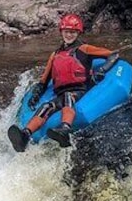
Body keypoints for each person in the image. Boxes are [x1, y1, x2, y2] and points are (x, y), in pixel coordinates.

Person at [7, 13, 118, 152]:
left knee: (68, 97)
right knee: (46, 106)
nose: (69, 35)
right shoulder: (55, 55)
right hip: (60, 92)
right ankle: (25, 135)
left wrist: (102, 70)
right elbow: (44, 80)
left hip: (80, 89)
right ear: (61, 32)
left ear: (78, 33)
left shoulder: (85, 49)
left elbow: (113, 55)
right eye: (66, 32)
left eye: (72, 32)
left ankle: (65, 128)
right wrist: (36, 94)